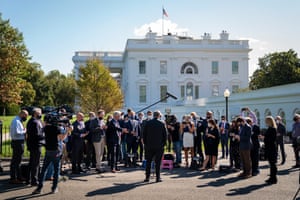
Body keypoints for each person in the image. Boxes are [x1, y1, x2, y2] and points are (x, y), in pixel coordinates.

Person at [32, 114, 68, 194]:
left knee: (44, 169)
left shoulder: (45, 128)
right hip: (56, 151)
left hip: (48, 150)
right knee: (56, 170)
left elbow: (44, 127)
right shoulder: (57, 128)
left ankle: (39, 188)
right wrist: (67, 131)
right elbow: (61, 138)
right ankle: (54, 188)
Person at [143, 110, 167, 183]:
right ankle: (158, 178)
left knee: (148, 162)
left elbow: (144, 134)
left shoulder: (148, 123)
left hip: (149, 145)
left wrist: (145, 143)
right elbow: (165, 135)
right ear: (159, 115)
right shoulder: (162, 123)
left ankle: (147, 177)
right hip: (159, 146)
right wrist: (163, 144)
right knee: (158, 162)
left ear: (153, 115)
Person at [9, 110, 28, 184]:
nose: (26, 117)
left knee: (18, 161)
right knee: (15, 161)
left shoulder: (18, 120)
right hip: (17, 143)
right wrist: (24, 131)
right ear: (22, 114)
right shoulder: (16, 121)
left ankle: (19, 177)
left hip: (19, 142)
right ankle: (13, 178)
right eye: (25, 115)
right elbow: (16, 133)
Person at [26, 108, 44, 186]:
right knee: (35, 163)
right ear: (35, 114)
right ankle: (34, 180)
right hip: (36, 145)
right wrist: (44, 136)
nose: (41, 114)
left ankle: (28, 179)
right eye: (40, 113)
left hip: (33, 145)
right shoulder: (34, 122)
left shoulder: (33, 121)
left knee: (32, 163)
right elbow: (37, 135)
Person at [259, 116, 278, 184]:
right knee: (271, 163)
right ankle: (272, 177)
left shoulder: (272, 129)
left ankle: (274, 178)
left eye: (266, 121)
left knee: (273, 163)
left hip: (271, 148)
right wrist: (264, 137)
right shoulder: (270, 128)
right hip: (270, 147)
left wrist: (264, 138)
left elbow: (271, 139)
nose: (265, 122)